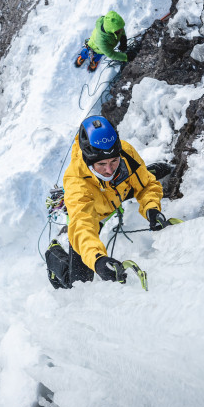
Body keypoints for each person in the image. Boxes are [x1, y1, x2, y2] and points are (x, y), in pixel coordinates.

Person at [45, 115, 172, 287]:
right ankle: (55, 251)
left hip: (116, 193)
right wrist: (98, 260)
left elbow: (146, 185)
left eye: (114, 161)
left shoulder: (125, 152)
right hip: (92, 213)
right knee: (76, 283)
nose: (109, 169)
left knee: (145, 177)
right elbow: (83, 225)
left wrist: (151, 209)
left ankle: (152, 170)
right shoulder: (76, 181)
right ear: (89, 161)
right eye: (101, 164)